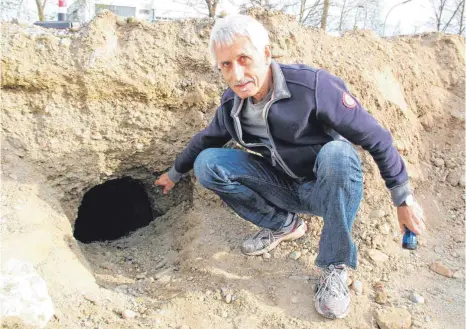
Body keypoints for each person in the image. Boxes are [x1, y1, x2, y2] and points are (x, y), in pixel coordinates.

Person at [155, 14, 425, 319]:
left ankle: (334, 267)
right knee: (208, 164)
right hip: (283, 187)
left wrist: (402, 199)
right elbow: (205, 140)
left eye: (244, 59)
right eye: (226, 65)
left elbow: (375, 138)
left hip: (328, 188)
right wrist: (174, 174)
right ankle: (285, 224)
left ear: (267, 53)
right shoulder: (232, 105)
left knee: (337, 152)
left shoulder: (312, 86)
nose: (237, 74)